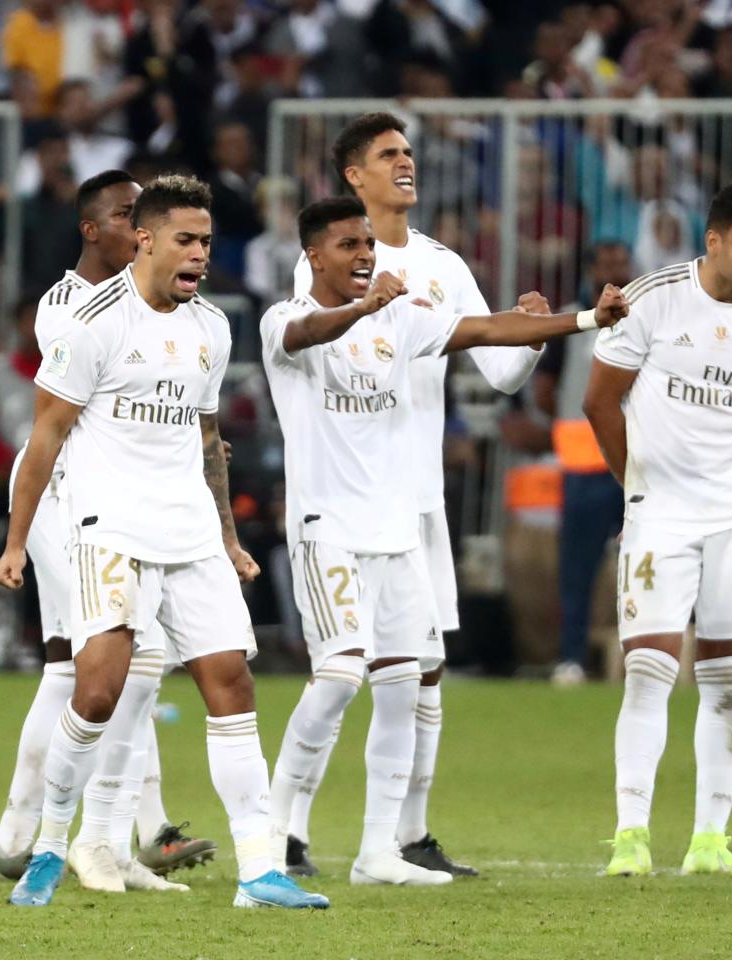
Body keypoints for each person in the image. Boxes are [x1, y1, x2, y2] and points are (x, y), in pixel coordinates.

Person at [265, 197, 628, 885]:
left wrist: (582, 318)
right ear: (313, 256)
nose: (364, 255)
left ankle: (378, 854)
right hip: (329, 532)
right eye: (348, 245)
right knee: (341, 677)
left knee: (406, 685)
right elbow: (309, 332)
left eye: (367, 245)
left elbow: (485, 330)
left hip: (398, 528)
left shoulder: (400, 317)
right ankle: (272, 831)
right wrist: (365, 309)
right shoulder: (282, 321)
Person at [0, 175, 325, 910]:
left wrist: (230, 537)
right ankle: (51, 844)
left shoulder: (211, 326)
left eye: (206, 241)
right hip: (109, 529)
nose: (200, 255)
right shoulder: (93, 323)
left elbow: (208, 440)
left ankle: (260, 870)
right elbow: (45, 435)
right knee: (99, 692)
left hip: (190, 534)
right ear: (144, 239)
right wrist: (17, 542)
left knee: (231, 684)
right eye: (186, 240)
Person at [275, 112, 544, 880]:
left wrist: (524, 336)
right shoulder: (330, 265)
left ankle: (405, 835)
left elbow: (498, 373)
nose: (406, 164)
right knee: (342, 671)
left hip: (417, 500)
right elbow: (319, 347)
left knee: (421, 668)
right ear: (353, 176)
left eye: (410, 153)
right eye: (388, 155)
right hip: (343, 502)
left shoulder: (441, 263)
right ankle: (289, 830)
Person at [0, 171, 217, 890]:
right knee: (88, 664)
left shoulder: (163, 310)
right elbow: (73, 419)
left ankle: (83, 834)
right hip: (65, 494)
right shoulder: (71, 309)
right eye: (125, 216)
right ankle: (57, 835)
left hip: (114, 495)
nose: (139, 229)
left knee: (107, 664)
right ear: (94, 229)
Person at [585, 180, 732, 878]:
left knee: (727, 678)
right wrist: (637, 484)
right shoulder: (655, 298)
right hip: (662, 515)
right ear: (713, 241)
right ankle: (630, 838)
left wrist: (727, 477)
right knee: (648, 670)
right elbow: (599, 402)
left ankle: (711, 840)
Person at [537, 242, 635, 684]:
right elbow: (544, 387)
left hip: (635, 465)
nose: (616, 270)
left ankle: (646, 654)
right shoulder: (573, 320)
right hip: (582, 469)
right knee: (576, 570)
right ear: (591, 269)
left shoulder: (643, 321)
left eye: (621, 263)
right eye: (608, 263)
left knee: (648, 563)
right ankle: (571, 657)